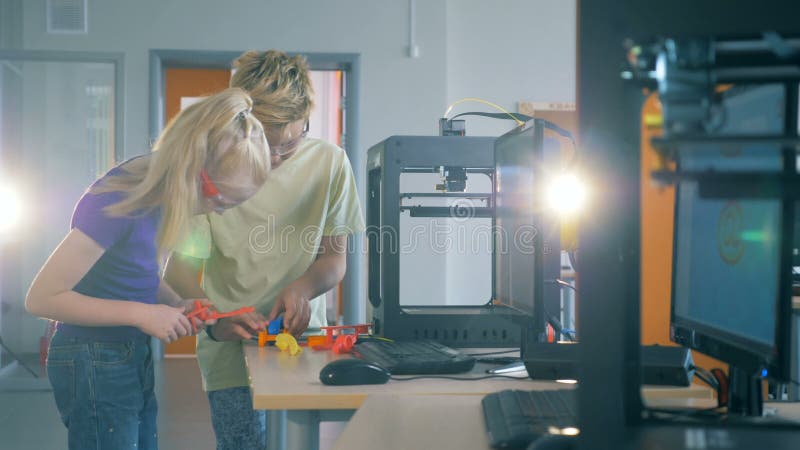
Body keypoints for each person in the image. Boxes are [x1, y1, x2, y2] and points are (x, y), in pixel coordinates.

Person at [24, 88, 271, 450]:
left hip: (126, 351)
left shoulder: (164, 197)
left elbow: (137, 273)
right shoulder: (120, 200)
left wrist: (177, 304)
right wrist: (142, 313)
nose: (220, 212)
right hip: (92, 357)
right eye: (221, 200)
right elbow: (42, 298)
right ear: (194, 172)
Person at [164, 50, 365, 450]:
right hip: (229, 354)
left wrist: (302, 288)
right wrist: (214, 318)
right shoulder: (211, 168)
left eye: (288, 146)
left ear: (306, 119)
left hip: (302, 346)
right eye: (263, 146)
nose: (273, 160)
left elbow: (333, 259)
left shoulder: (331, 163)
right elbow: (180, 271)